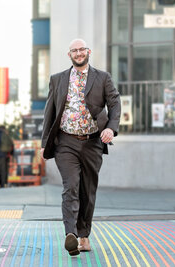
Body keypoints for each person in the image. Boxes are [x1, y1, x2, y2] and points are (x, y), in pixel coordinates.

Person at [41, 39, 121, 256]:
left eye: (81, 50)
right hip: (65, 142)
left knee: (87, 189)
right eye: (74, 51)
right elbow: (50, 112)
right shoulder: (58, 79)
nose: (78, 53)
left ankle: (84, 235)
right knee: (71, 187)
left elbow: (114, 103)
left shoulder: (102, 77)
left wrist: (111, 129)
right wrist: (44, 143)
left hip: (93, 141)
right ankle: (71, 235)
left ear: (88, 52)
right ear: (69, 55)